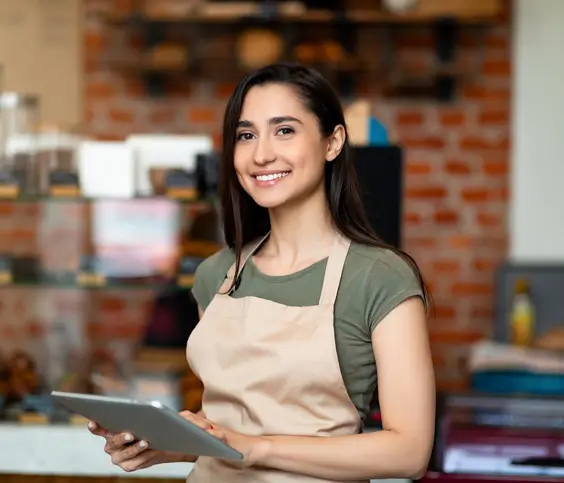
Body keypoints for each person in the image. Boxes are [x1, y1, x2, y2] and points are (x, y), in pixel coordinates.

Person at [88, 63, 436, 482]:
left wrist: (257, 449)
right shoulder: (217, 273)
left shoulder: (379, 277)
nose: (261, 154)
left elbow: (409, 451)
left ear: (333, 141)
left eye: (284, 130)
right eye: (246, 135)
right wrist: (166, 442)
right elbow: (233, 426)